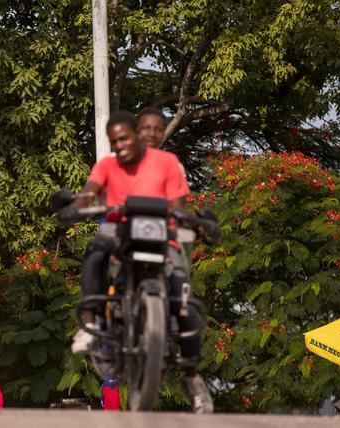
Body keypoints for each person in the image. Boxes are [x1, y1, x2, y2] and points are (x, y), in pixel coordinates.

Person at [65, 110, 213, 413]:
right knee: (95, 255)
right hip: (117, 234)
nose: (119, 145)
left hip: (162, 239)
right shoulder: (106, 165)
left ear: (137, 133)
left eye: (124, 138)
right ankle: (90, 327)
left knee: (183, 296)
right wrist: (73, 208)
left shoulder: (167, 163)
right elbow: (87, 194)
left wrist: (194, 224)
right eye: (114, 141)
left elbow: (177, 208)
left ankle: (192, 377)